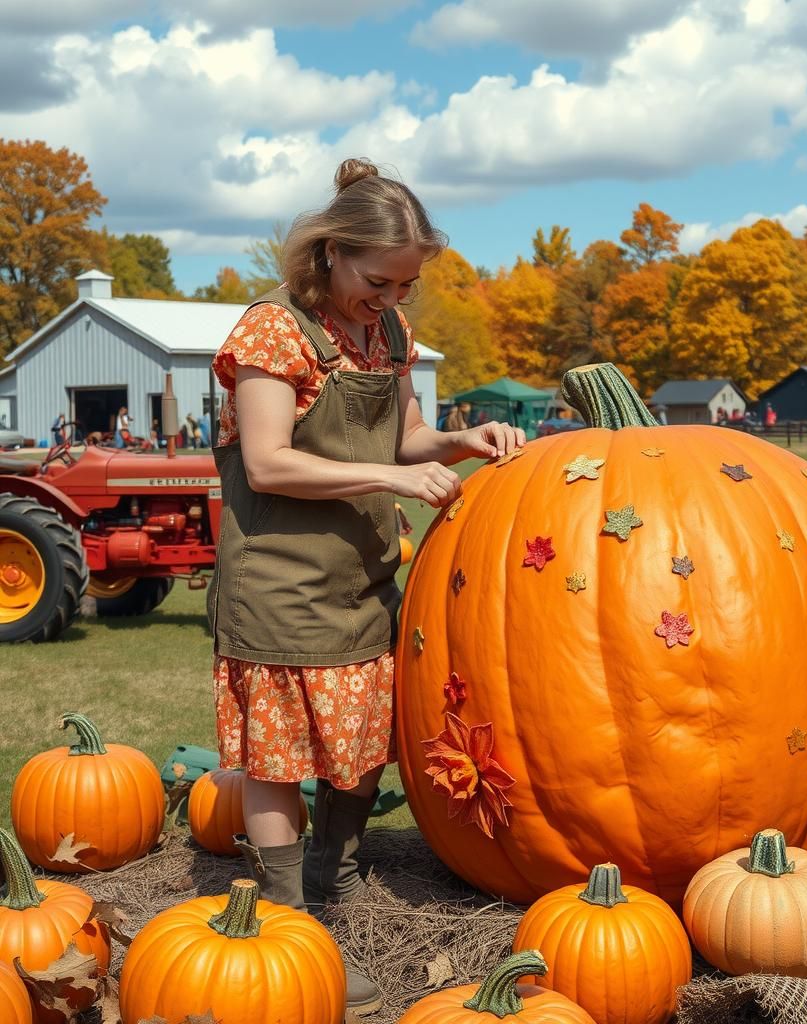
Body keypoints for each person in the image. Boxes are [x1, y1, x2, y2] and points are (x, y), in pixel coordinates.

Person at [207, 157, 525, 1016]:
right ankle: (289, 924)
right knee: (281, 758)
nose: (392, 299)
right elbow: (269, 462)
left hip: (360, 574)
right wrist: (388, 483)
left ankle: (333, 877)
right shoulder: (273, 332)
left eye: (407, 285)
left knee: (359, 746)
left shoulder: (386, 336)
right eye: (379, 280)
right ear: (331, 254)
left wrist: (459, 442)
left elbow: (405, 436)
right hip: (280, 576)